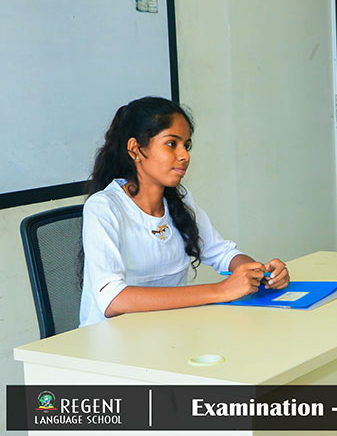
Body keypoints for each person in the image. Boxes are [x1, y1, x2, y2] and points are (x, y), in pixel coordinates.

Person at [79, 96, 289, 327]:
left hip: (169, 333)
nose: (184, 156)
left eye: (186, 146)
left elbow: (223, 253)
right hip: (111, 341)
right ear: (135, 149)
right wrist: (220, 290)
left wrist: (259, 274)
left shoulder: (179, 198)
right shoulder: (104, 207)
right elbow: (113, 299)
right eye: (172, 144)